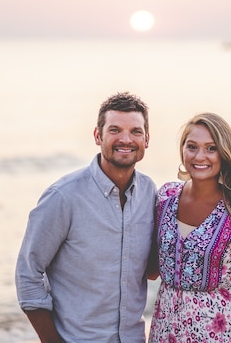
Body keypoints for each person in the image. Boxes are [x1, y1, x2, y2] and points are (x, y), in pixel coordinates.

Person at [15, 92, 156, 343]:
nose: (126, 139)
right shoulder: (64, 197)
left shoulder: (150, 194)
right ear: (97, 136)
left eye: (135, 131)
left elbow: (151, 269)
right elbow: (28, 272)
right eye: (115, 130)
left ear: (147, 139)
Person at [148, 112, 231, 343]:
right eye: (192, 146)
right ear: (182, 150)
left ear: (224, 153)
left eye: (211, 148)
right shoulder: (165, 197)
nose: (200, 156)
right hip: (165, 332)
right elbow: (152, 269)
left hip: (219, 334)